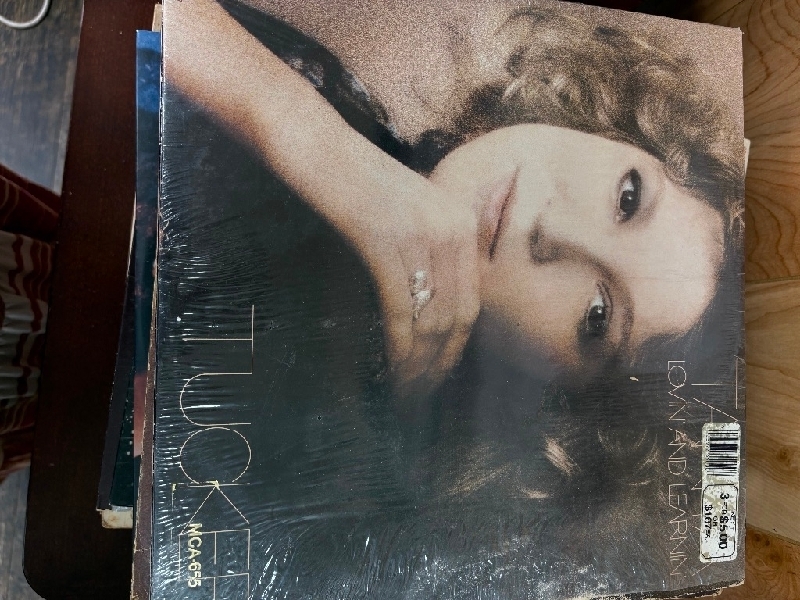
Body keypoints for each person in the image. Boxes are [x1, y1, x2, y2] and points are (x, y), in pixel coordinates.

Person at [164, 0, 744, 400]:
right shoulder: (352, 122)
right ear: (611, 129)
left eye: (598, 316)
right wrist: (312, 140)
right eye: (628, 197)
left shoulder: (325, 416)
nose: (552, 233)